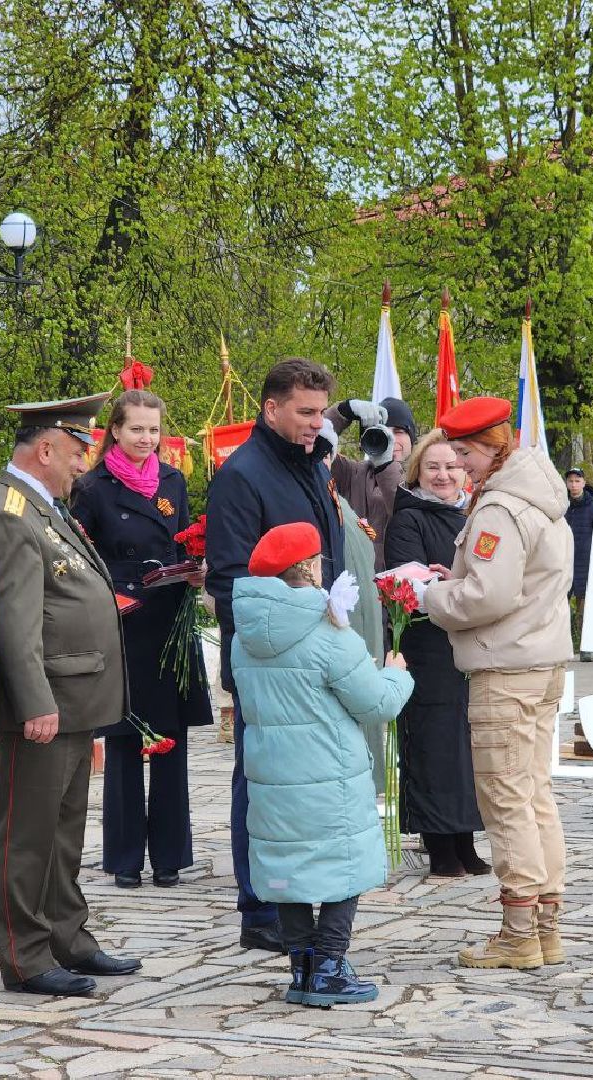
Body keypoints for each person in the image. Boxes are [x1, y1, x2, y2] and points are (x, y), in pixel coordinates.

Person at [0, 396, 140, 997]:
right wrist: (34, 701)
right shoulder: (9, 514)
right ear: (45, 450)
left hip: (71, 701)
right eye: (76, 451)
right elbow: (13, 623)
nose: (80, 465)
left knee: (64, 831)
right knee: (26, 834)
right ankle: (26, 955)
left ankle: (68, 937)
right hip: (42, 708)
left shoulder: (44, 508)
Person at [420, 396, 574, 970]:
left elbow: (489, 595)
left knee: (507, 802)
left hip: (504, 669)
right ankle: (547, 927)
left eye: (464, 453)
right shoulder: (543, 496)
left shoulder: (500, 508)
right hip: (540, 662)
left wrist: (432, 596)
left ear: (492, 447)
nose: (457, 466)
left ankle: (518, 934)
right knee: (535, 795)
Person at [232, 522, 413, 1007]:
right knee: (342, 865)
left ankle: (301, 968)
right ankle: (330, 966)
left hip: (272, 776)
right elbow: (375, 704)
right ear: (310, 568)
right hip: (328, 774)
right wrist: (397, 677)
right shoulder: (329, 633)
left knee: (289, 870)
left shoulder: (244, 637)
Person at [206, 357, 345, 954]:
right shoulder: (243, 475)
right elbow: (232, 579)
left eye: (322, 413)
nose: (317, 424)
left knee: (304, 780)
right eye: (306, 412)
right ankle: (260, 908)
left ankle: (298, 897)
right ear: (271, 408)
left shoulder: (311, 464)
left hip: (316, 649)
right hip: (268, 658)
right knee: (262, 782)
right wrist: (265, 654)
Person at [70, 389, 212, 890]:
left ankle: (170, 856)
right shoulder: (92, 487)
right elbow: (78, 559)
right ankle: (126, 857)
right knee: (126, 739)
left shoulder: (173, 480)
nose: (147, 439)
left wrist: (196, 571)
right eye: (137, 429)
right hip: (123, 623)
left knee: (172, 742)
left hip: (169, 619)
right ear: (115, 430)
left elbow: (183, 539)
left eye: (153, 430)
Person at [382, 429, 487, 878]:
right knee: (434, 747)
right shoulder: (409, 518)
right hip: (427, 646)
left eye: (451, 466)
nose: (443, 474)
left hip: (464, 646)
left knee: (463, 750)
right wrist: (448, 586)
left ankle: (464, 840)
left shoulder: (473, 515)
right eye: (433, 467)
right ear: (417, 472)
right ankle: (440, 844)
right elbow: (408, 583)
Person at [320, 417, 388, 792]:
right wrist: (344, 409)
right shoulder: (324, 501)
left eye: (326, 455)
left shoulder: (341, 502)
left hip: (359, 640)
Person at [325, 396, 417, 569]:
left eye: (398, 431)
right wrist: (343, 411)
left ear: (412, 437)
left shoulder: (425, 477)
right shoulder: (350, 473)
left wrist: (385, 465)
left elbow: (400, 507)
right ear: (365, 440)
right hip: (354, 579)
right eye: (382, 431)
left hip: (400, 585)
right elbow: (316, 442)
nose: (391, 439)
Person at [564, 465, 593, 661]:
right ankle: (562, 645)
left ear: (584, 482)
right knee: (560, 607)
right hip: (563, 564)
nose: (574, 484)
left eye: (577, 480)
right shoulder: (561, 506)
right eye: (570, 481)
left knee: (584, 609)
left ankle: (585, 647)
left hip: (586, 565)